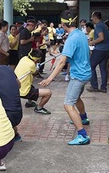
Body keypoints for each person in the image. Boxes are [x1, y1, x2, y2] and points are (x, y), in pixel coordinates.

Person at [39, 10, 91, 145]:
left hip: (78, 76)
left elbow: (62, 61)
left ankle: (82, 135)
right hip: (85, 73)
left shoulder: (71, 38)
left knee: (68, 104)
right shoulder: (81, 34)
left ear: (63, 24)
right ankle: (83, 118)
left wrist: (49, 78)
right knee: (76, 98)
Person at [15, 49, 52, 114]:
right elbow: (35, 73)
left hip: (16, 87)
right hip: (24, 92)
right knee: (48, 93)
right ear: (36, 60)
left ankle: (29, 103)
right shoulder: (31, 64)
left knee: (31, 86)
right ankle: (39, 108)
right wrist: (37, 67)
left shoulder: (24, 58)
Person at [87, 11, 109, 93]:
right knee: (103, 68)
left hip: (100, 49)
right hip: (106, 49)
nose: (91, 19)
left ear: (95, 18)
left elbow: (101, 38)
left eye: (92, 17)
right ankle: (103, 87)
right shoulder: (104, 25)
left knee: (91, 66)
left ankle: (94, 85)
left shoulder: (99, 26)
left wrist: (92, 42)